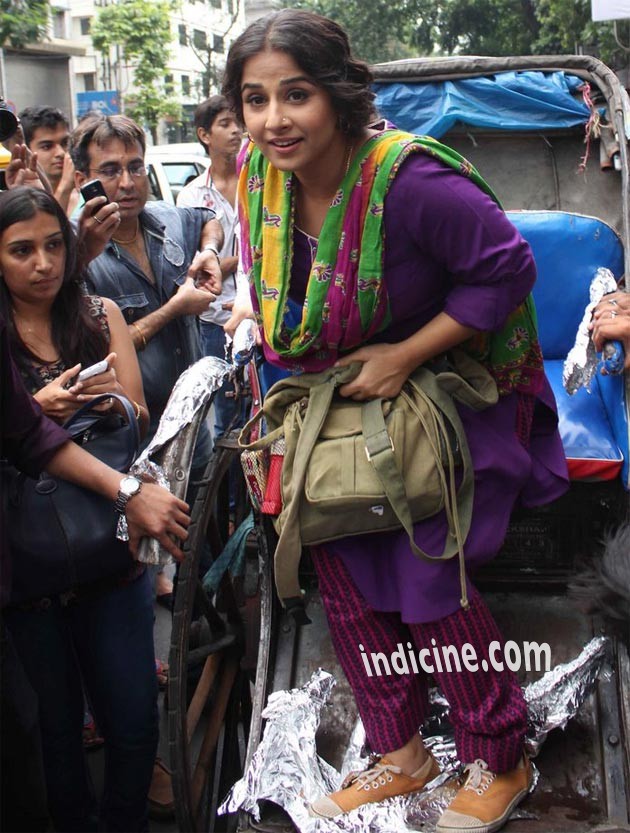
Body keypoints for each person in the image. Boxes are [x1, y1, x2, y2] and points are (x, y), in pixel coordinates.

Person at [222, 10, 569, 833]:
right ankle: (401, 750)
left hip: (445, 398)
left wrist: (406, 353)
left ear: (337, 96)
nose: (275, 120)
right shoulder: (260, 180)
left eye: (295, 95)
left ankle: (501, 754)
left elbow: (506, 270)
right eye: (255, 99)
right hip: (334, 414)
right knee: (337, 574)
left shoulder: (410, 181)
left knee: (426, 584)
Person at [0, 185, 186, 832]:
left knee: (134, 721)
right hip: (28, 566)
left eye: (54, 245)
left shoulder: (99, 313)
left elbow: (138, 418)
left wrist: (100, 400)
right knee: (54, 734)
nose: (42, 263)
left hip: (110, 547)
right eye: (21, 250)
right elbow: (19, 439)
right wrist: (36, 412)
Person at [177, 95, 243, 439]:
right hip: (213, 321)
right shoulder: (191, 197)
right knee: (224, 420)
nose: (236, 131)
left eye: (238, 123)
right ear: (205, 135)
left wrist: (223, 263)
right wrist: (237, 261)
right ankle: (229, 495)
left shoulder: (260, 184)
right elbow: (198, 268)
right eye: (225, 124)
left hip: (258, 315)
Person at [19, 105, 78, 215]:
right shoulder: (19, 202)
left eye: (65, 143)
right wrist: (64, 188)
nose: (60, 153)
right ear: (27, 151)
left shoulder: (85, 196)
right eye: (47, 146)